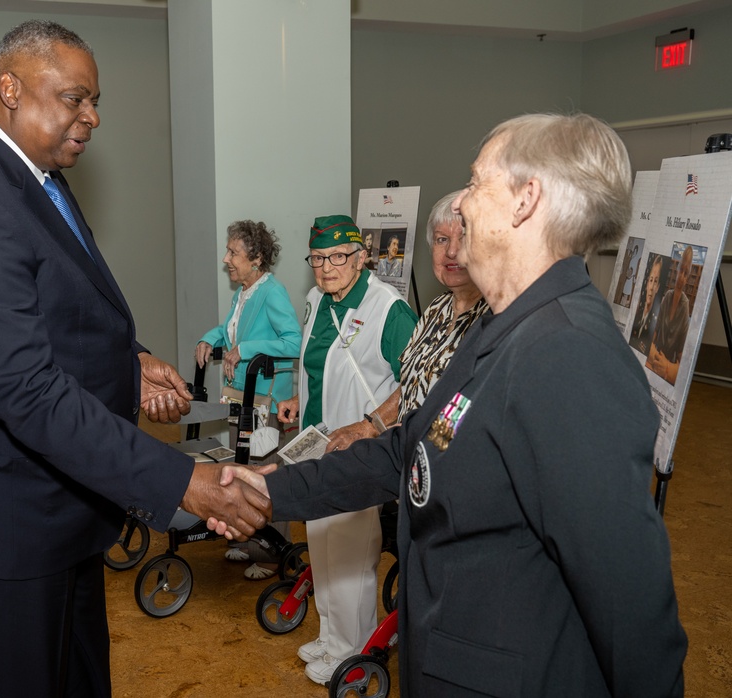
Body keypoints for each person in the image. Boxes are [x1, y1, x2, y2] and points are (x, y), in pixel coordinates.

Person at [215, 113, 687, 696]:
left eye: (476, 180)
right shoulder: (505, 324)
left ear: (526, 200)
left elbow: (626, 597)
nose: (461, 202)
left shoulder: (570, 353)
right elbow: (410, 448)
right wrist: (273, 488)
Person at [0, 20, 267, 697]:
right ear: (10, 88)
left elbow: (51, 307)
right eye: (75, 98)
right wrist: (175, 479)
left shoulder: (31, 175)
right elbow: (27, 390)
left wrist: (130, 360)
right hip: (10, 516)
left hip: (60, 500)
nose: (92, 117)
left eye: (94, 101)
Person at [276, 214, 416, 685]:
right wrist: (300, 395)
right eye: (317, 258)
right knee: (322, 542)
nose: (326, 267)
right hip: (318, 442)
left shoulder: (387, 308)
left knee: (353, 550)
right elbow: (316, 364)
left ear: (361, 257)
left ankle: (351, 650)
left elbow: (418, 382)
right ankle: (331, 634)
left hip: (360, 450)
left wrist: (370, 423)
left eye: (338, 256)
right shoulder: (317, 300)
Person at [323, 191, 488, 453]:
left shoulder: (493, 317)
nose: (452, 251)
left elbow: (472, 400)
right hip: (409, 460)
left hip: (447, 464)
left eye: (464, 238)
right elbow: (411, 383)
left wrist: (430, 448)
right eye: (441, 240)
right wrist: (370, 426)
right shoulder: (437, 309)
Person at [196, 220, 302, 580]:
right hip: (240, 396)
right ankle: (245, 536)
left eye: (233, 252)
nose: (226, 258)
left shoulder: (272, 292)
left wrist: (245, 349)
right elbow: (230, 328)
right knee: (239, 468)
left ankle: (273, 555)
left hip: (266, 400)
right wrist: (208, 340)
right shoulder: (243, 292)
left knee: (264, 475)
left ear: (256, 258)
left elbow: (292, 342)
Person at [647, 245, 694, 385]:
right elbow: (655, 330)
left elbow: (681, 352)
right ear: (677, 271)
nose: (681, 277)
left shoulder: (685, 306)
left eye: (686, 274)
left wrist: (669, 369)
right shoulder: (667, 296)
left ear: (688, 278)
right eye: (681, 271)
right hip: (656, 356)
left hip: (667, 364)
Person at [630, 253, 665, 355]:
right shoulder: (636, 315)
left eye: (655, 281)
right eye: (650, 280)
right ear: (646, 284)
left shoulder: (655, 323)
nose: (651, 288)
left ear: (657, 287)